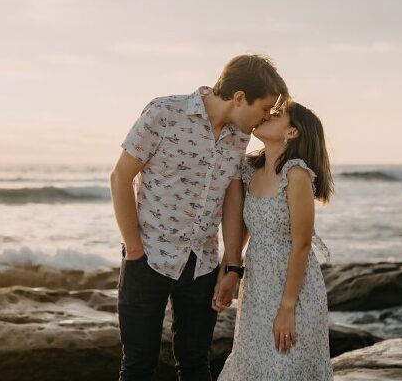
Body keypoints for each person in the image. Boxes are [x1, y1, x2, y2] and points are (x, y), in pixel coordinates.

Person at [110, 54, 289, 381]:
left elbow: (232, 198)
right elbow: (120, 178)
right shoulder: (164, 113)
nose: (266, 117)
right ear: (238, 98)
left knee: (196, 366)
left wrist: (232, 264)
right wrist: (134, 250)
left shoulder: (239, 133)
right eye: (264, 108)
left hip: (202, 263)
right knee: (137, 367)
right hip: (147, 258)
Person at [215, 100, 334, 380]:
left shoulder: (296, 174)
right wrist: (228, 269)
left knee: (286, 368)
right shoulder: (250, 170)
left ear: (291, 133)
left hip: (294, 292)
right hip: (257, 287)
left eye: (278, 115)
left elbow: (302, 243)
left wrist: (287, 308)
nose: (268, 115)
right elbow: (245, 227)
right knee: (252, 366)